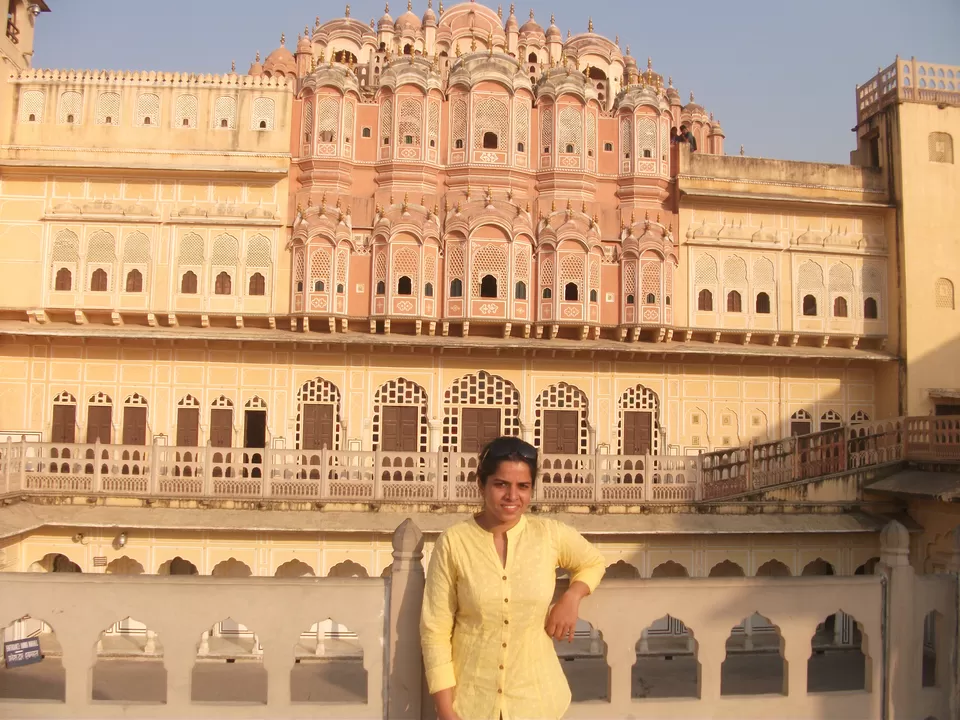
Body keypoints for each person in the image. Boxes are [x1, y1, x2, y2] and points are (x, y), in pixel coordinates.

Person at [420, 436, 606, 720]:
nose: (512, 496)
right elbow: (435, 630)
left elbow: (593, 562)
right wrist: (446, 711)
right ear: (481, 485)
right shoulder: (454, 543)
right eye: (501, 484)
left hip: (537, 700)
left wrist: (572, 596)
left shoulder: (548, 535)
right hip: (472, 703)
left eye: (523, 486)